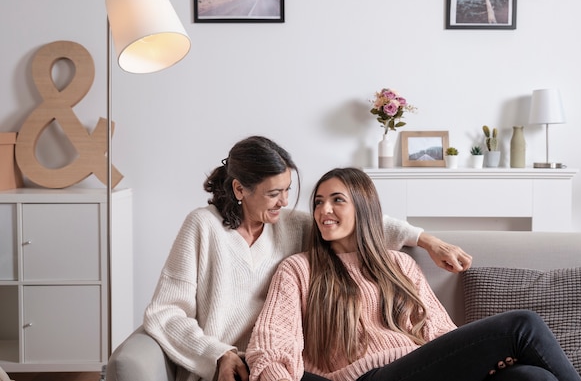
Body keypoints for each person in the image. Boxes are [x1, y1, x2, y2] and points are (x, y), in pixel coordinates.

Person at [143, 136, 472, 381]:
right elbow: (166, 312)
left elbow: (359, 222)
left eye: (288, 190)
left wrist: (428, 241)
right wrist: (218, 354)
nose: (284, 202)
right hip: (228, 369)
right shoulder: (202, 226)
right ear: (240, 190)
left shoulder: (289, 224)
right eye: (274, 193)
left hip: (284, 364)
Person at [246, 167, 581, 381]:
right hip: (370, 377)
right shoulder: (300, 268)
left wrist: (486, 361)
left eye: (337, 200)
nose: (324, 210)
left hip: (424, 367)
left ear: (364, 209)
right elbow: (271, 342)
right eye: (318, 202)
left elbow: (440, 333)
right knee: (523, 325)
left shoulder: (399, 265)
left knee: (533, 377)